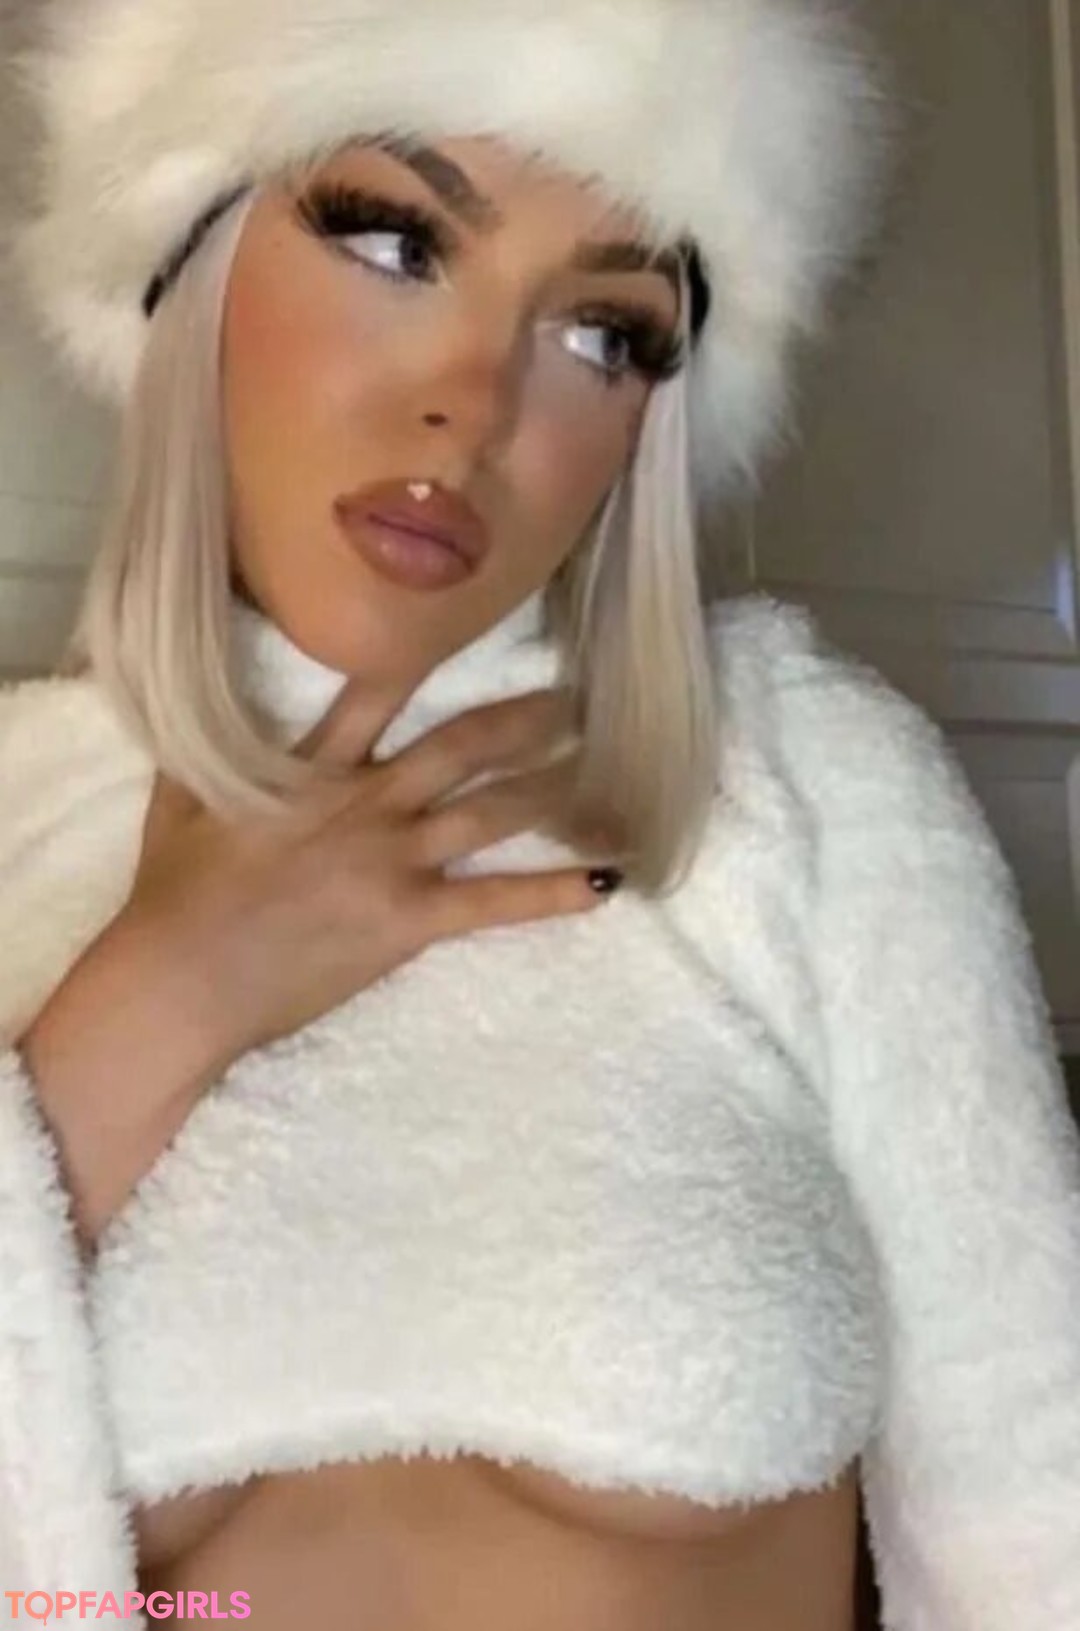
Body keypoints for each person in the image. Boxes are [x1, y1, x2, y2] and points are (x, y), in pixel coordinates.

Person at [1, 1, 1078, 1627]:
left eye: (603, 335)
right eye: (395, 241)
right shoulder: (18, 814)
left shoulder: (799, 789)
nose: (475, 402)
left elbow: (1044, 1520)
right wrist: (153, 1009)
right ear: (188, 263)